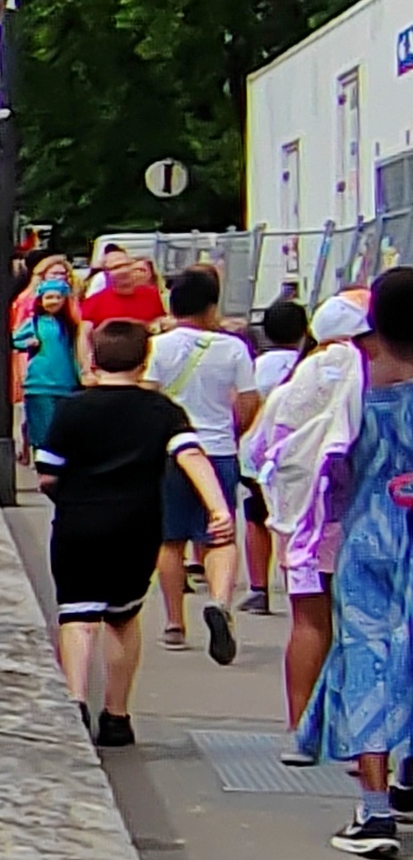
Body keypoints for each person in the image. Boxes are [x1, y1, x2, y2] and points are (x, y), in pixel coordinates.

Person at [41, 318, 236, 747]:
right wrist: (217, 507)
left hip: (79, 522)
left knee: (78, 617)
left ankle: (75, 700)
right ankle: (116, 715)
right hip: (137, 526)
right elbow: (190, 454)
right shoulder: (163, 411)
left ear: (92, 358)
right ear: (145, 360)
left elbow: (47, 474)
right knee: (123, 618)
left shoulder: (72, 409)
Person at [302, 268, 413, 857]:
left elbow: (324, 463)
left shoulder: (356, 384)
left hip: (371, 535)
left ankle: (373, 813)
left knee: (368, 657)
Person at [260, 290, 370, 759]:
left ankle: (301, 730)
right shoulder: (371, 378)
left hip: (301, 521)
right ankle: (365, 741)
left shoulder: (293, 385)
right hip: (359, 516)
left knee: (308, 622)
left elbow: (259, 451)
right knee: (366, 628)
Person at [145, 264, 259, 661]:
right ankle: (221, 602)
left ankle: (175, 622)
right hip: (219, 449)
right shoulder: (233, 348)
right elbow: (247, 402)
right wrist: (232, 431)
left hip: (171, 451)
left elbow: (149, 397)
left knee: (170, 538)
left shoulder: (156, 346)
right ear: (212, 307)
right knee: (219, 534)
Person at [237, 296, 315, 614]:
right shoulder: (310, 363)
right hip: (303, 453)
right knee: (297, 519)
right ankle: (299, 580)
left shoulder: (259, 366)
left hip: (261, 455)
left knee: (257, 519)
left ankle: (258, 588)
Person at [13, 273, 84, 460]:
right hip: (39, 381)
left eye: (58, 297)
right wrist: (28, 343)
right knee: (41, 427)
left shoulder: (71, 325)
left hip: (66, 382)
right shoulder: (34, 323)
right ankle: (41, 460)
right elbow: (14, 340)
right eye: (49, 297)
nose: (54, 301)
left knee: (61, 426)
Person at [80, 248, 167, 330]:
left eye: (126, 265)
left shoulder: (153, 295)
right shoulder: (93, 303)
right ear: (107, 273)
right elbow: (84, 337)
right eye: (116, 267)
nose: (123, 271)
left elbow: (162, 321)